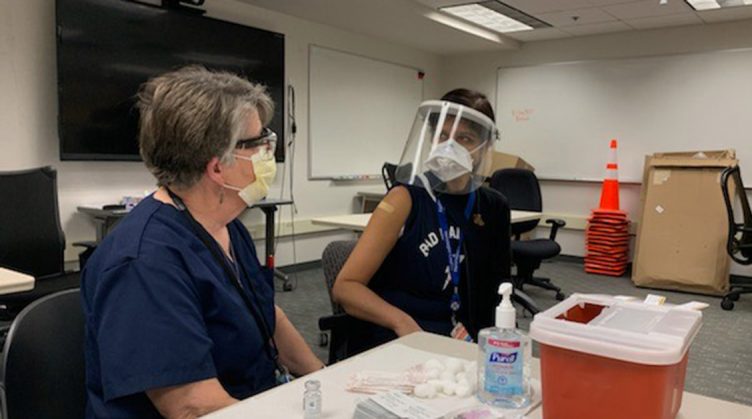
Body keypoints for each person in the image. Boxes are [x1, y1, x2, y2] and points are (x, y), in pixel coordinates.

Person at [81, 66, 324, 418]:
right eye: (258, 143)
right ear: (217, 167)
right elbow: (192, 407)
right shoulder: (144, 262)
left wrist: (323, 379)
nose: (268, 152)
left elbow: (266, 315)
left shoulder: (225, 226)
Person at [332, 88, 511, 353]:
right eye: (442, 135)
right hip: (402, 337)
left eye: (465, 138)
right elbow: (346, 288)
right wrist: (402, 323)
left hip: (462, 341)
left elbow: (496, 293)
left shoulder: (493, 207)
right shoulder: (404, 198)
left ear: (483, 148)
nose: (450, 146)